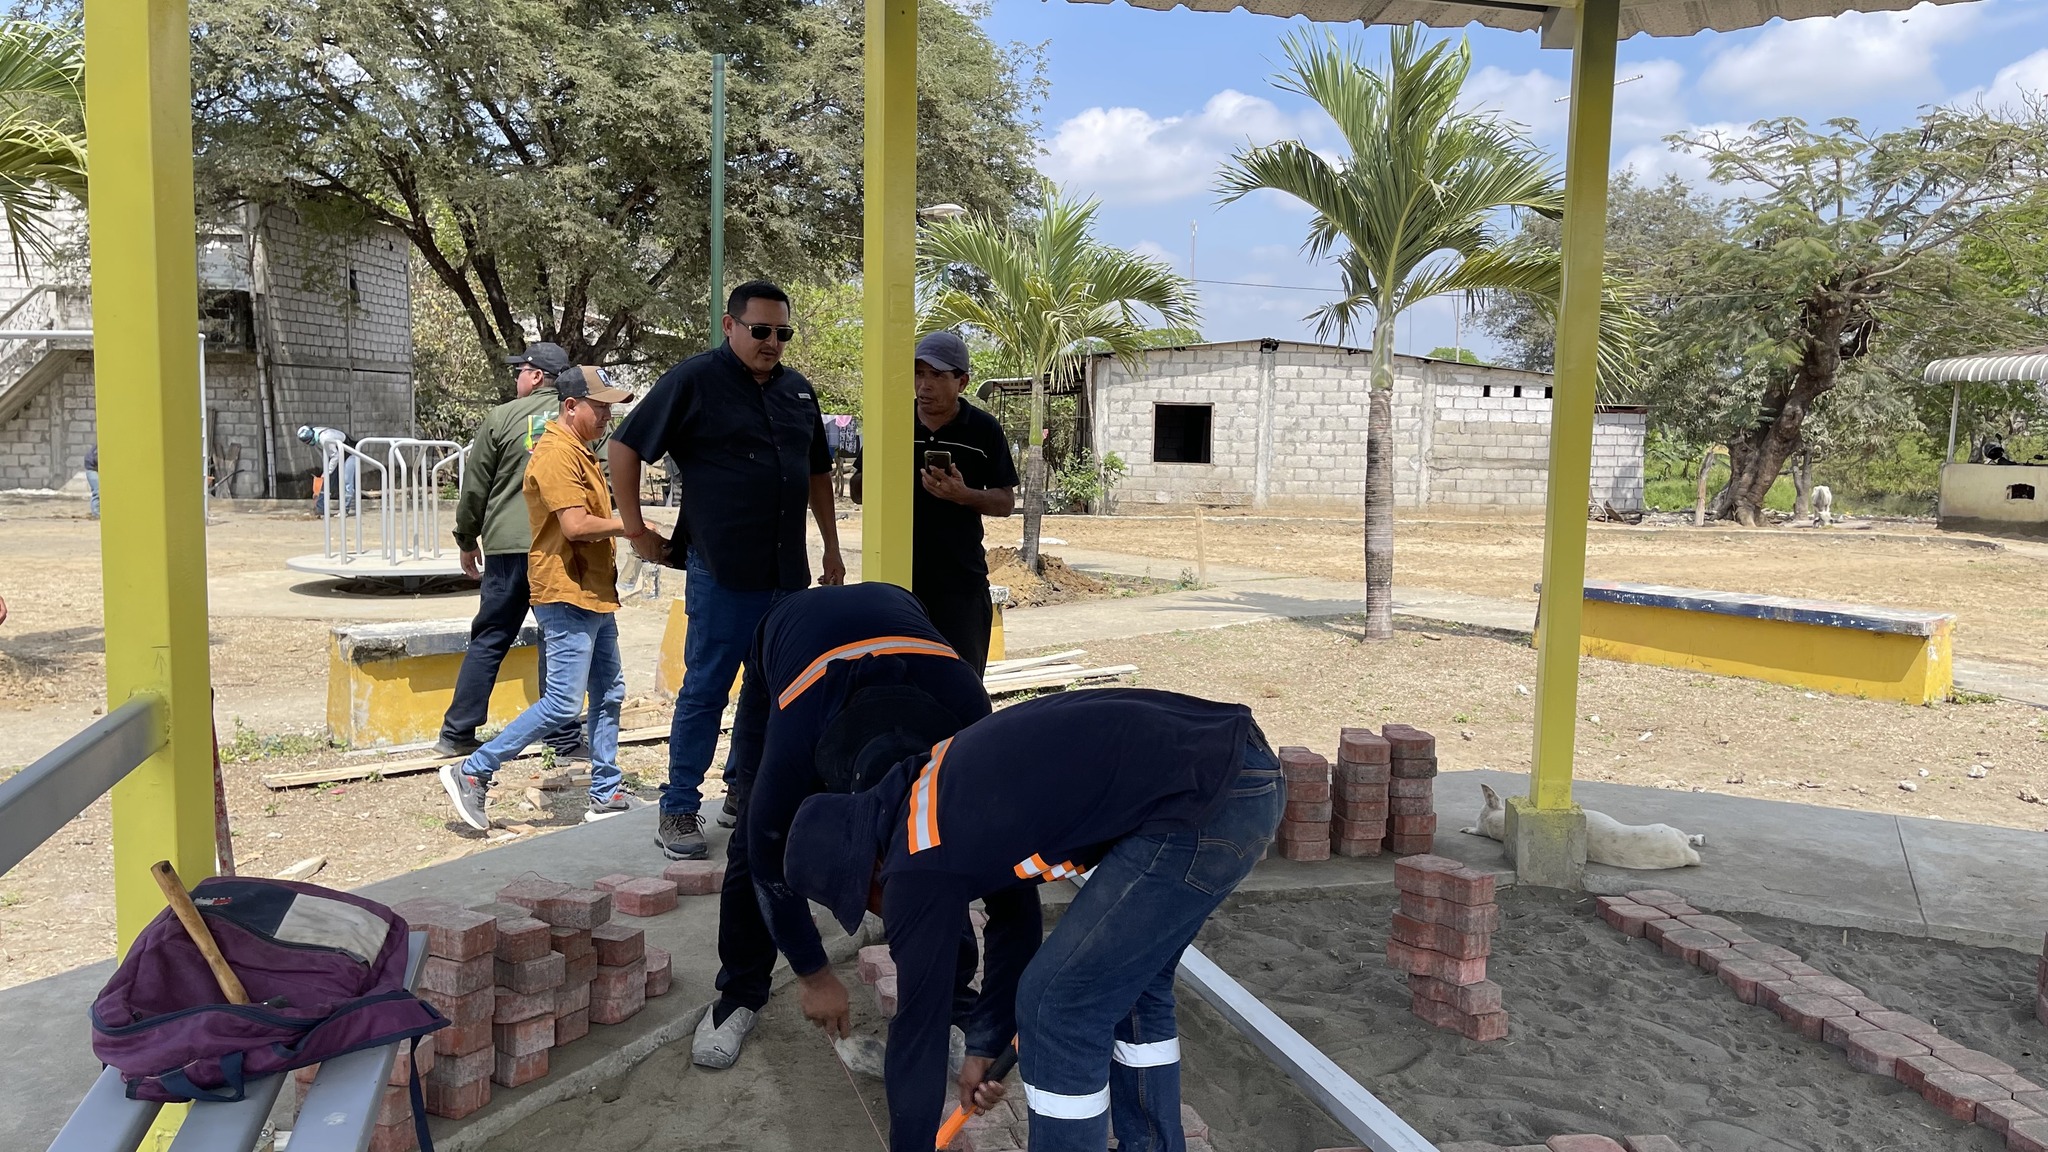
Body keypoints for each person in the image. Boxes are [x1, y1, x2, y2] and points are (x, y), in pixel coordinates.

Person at [785, 688, 1282, 1152]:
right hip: (1233, 771)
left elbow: (920, 1033)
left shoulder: (918, 860)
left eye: (867, 901)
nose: (881, 910)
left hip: (1202, 799)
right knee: (1130, 988)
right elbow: (1015, 916)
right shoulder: (931, 794)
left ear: (869, 868)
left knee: (1056, 1006)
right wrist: (985, 1044)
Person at [689, 581, 1001, 1068]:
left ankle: (955, 1004)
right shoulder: (798, 734)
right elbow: (768, 857)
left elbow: (977, 873)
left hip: (902, 627)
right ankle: (739, 994)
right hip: (789, 643)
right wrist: (814, 975)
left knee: (939, 857)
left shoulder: (970, 728)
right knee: (752, 836)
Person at [609, 279, 845, 862]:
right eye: (760, 330)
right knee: (707, 689)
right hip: (721, 570)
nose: (772, 343)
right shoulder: (694, 380)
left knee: (773, 691)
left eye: (783, 333)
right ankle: (678, 807)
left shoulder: (798, 391)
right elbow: (625, 446)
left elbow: (816, 472)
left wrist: (832, 549)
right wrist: (636, 530)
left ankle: (745, 791)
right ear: (730, 325)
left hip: (785, 573)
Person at [440, 366, 643, 829]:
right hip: (566, 590)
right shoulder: (554, 453)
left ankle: (606, 792)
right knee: (563, 703)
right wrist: (633, 526)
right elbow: (575, 525)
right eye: (600, 407)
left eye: (610, 408)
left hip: (593, 590)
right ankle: (472, 771)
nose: (607, 416)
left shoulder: (581, 450)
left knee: (610, 692)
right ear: (570, 405)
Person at [434, 342, 584, 761]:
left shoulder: (501, 417)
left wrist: (467, 539)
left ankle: (456, 732)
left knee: (491, 637)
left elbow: (475, 487)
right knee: (558, 637)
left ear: (535, 376)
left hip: (505, 548)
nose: (517, 377)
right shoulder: (578, 415)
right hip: (556, 545)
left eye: (521, 370)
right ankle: (563, 739)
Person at [850, 331, 1016, 673]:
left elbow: (1005, 503)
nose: (924, 385)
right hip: (896, 582)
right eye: (918, 373)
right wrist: (885, 471)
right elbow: (856, 492)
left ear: (962, 382)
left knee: (962, 683)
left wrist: (964, 495)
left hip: (961, 584)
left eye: (937, 375)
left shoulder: (984, 429)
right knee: (897, 681)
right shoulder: (891, 422)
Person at [297, 424, 358, 515]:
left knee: (346, 481)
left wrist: (327, 472)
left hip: (349, 453)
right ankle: (320, 509)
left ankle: (345, 509)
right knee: (326, 481)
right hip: (336, 453)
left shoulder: (325, 439)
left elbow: (335, 456)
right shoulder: (316, 433)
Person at [84, 443, 98, 519]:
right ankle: (96, 513)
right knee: (97, 491)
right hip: (92, 469)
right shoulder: (100, 447)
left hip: (96, 467)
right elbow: (97, 459)